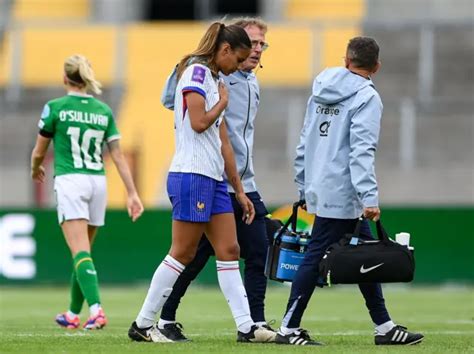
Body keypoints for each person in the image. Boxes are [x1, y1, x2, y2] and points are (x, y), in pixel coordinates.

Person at [128, 22, 275, 344]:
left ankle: (247, 327)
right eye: (237, 59)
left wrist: (239, 190)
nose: (238, 66)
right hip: (192, 174)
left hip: (215, 179)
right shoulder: (196, 74)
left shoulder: (215, 78)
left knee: (229, 249)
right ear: (224, 50)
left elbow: (224, 142)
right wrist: (222, 103)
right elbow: (197, 123)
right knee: (182, 252)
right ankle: (143, 323)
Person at [274, 37, 424, 346]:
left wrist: (303, 184)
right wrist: (369, 197)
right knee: (316, 256)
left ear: (346, 60)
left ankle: (384, 327)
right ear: (376, 67)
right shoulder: (367, 97)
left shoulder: (319, 90)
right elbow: (361, 151)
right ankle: (288, 329)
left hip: (320, 184)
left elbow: (304, 142)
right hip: (343, 191)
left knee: (366, 253)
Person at [30, 54, 144, 330]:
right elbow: (117, 155)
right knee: (84, 252)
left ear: (65, 78)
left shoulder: (55, 107)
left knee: (80, 251)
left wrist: (35, 169)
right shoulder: (103, 111)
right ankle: (72, 313)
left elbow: (39, 151)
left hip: (71, 180)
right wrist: (132, 193)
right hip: (97, 182)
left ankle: (96, 311)